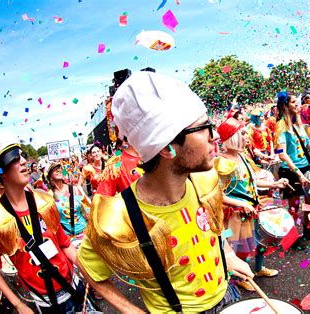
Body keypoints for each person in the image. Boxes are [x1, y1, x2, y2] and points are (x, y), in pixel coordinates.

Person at [77, 71, 253, 313]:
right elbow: (88, 267)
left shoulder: (205, 179)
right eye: (203, 128)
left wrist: (229, 255)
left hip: (227, 297)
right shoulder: (118, 216)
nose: (215, 137)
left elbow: (214, 227)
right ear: (167, 148)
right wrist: (132, 310)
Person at [0, 135, 93, 313]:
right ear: (1, 172)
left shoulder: (44, 201)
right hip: (45, 302)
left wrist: (90, 274)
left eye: (22, 155)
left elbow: (64, 243)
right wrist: (19, 305)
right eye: (14, 158)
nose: (23, 161)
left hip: (74, 287)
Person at [214, 117, 288, 291]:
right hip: (237, 215)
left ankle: (259, 268)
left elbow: (253, 180)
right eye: (242, 133)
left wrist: (274, 184)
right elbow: (215, 194)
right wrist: (239, 204)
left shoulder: (243, 156)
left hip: (253, 207)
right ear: (232, 137)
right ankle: (240, 278)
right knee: (242, 247)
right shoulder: (222, 163)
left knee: (262, 241)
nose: (247, 136)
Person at [274, 91, 310, 248]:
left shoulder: (298, 124)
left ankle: (307, 229)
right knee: (294, 207)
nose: (297, 105)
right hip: (291, 172)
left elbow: (307, 144)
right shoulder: (281, 126)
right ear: (285, 105)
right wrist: (298, 174)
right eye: (293, 102)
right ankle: (291, 238)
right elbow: (281, 154)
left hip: (306, 168)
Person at [46, 162, 90, 239]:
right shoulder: (50, 196)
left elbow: (87, 208)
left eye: (60, 169)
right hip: (67, 237)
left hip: (85, 231)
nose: (58, 171)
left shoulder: (74, 189)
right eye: (55, 170)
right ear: (50, 178)